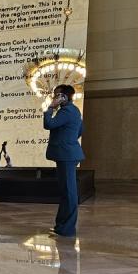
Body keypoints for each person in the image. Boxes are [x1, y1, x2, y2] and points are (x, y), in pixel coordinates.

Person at [43, 84, 85, 237]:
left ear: (64, 97)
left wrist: (50, 108)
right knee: (66, 192)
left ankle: (66, 229)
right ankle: (62, 226)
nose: (54, 98)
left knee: (68, 193)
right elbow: (81, 130)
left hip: (66, 155)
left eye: (56, 95)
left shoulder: (66, 111)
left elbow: (49, 124)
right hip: (67, 154)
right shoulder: (74, 110)